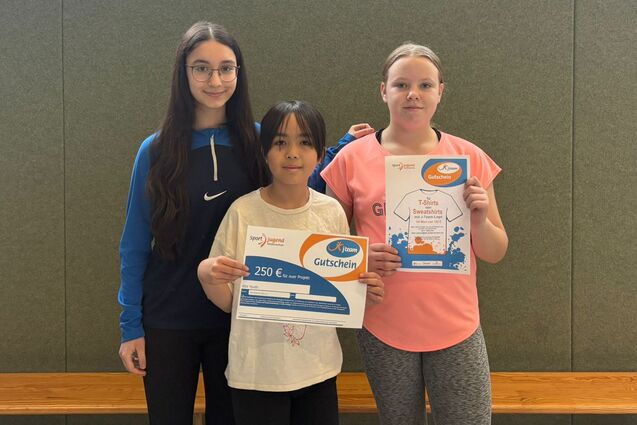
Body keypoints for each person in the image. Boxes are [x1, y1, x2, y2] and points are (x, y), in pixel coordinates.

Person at [117, 22, 372, 424]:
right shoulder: (156, 150)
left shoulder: (257, 141)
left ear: (239, 73)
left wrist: (337, 149)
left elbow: (295, 187)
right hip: (168, 319)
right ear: (183, 73)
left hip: (238, 319)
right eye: (201, 68)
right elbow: (134, 245)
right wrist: (131, 326)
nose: (215, 80)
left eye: (226, 68)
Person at [321, 43, 508, 425]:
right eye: (401, 84)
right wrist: (360, 256)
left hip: (456, 325)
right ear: (383, 91)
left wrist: (478, 221)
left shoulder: (469, 157)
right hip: (383, 325)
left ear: (441, 91)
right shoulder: (349, 160)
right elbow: (325, 252)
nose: (413, 94)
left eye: (425, 85)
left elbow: (495, 251)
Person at [197, 100, 384, 425]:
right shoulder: (243, 212)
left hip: (319, 370)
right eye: (281, 143)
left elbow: (342, 299)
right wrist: (207, 276)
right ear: (265, 152)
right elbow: (228, 302)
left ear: (320, 154)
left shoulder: (331, 212)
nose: (293, 153)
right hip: (256, 375)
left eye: (305, 143)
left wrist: (365, 293)